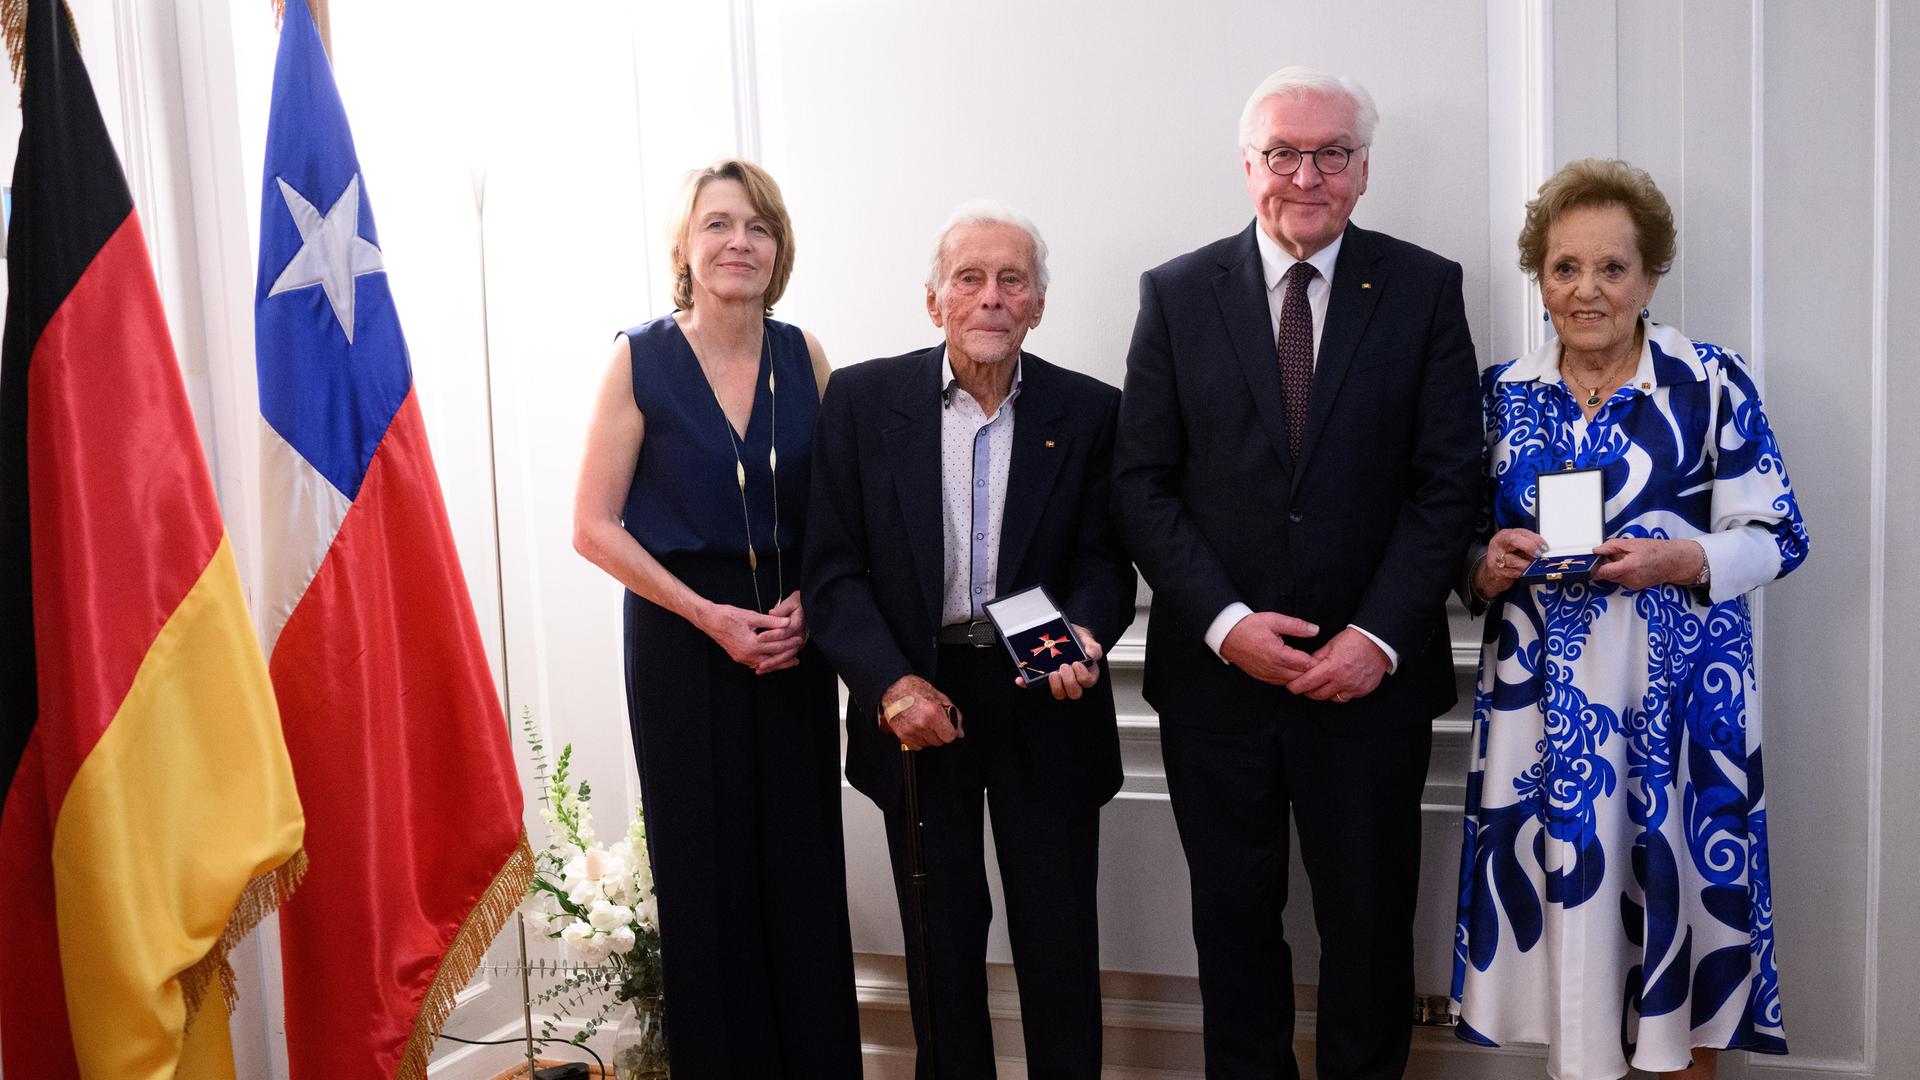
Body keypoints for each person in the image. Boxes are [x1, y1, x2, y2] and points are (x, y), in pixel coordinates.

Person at [1113, 66, 1482, 1079]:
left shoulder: (1424, 288)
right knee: (1234, 931)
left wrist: (1376, 637)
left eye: (1331, 154)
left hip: (1370, 684)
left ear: (1364, 172)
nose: (1306, 175)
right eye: (1284, 153)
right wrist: (1228, 623)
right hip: (1218, 685)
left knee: (1368, 934)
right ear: (1248, 167)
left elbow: (1448, 488)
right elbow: (1142, 488)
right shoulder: (1176, 294)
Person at [1452, 158, 1809, 1080]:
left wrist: (1678, 559)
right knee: (1567, 925)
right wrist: (1486, 565)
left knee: (1677, 931)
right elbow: (1453, 544)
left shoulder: (1710, 382)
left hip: (1682, 715)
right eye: (1565, 267)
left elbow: (1781, 535)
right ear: (1540, 278)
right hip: (1544, 715)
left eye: (1612, 267)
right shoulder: (1500, 394)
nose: (1587, 290)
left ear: (1651, 276)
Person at [804, 201, 1136, 1079]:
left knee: (1057, 938)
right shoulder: (863, 402)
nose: (991, 297)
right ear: (934, 301)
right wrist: (890, 687)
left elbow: (1108, 564)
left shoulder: (1093, 410)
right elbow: (832, 574)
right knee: (941, 939)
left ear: (1038, 304)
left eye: (1012, 280)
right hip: (920, 694)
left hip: (1047, 694)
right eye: (970, 278)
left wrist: (1087, 635)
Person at [571, 158, 859, 1077]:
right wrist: (709, 617)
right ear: (686, 249)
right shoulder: (639, 356)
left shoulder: (805, 354)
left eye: (759, 227)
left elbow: (844, 510)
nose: (740, 242)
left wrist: (814, 601)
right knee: (707, 881)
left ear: (780, 250)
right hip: (682, 645)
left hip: (794, 642)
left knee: (802, 876)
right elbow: (591, 527)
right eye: (719, 225)